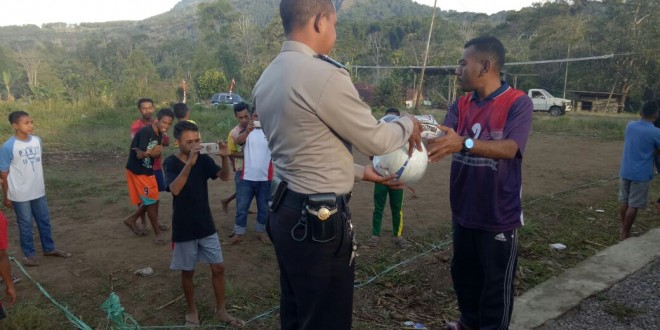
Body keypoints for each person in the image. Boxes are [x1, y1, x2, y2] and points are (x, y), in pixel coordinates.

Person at [252, 1, 422, 328]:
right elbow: (375, 140)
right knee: (327, 318)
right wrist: (408, 123)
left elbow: (303, 151)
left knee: (298, 311)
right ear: (319, 21)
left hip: (285, 212)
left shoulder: (268, 75)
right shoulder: (323, 75)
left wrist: (359, 172)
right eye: (335, 23)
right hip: (318, 225)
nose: (334, 31)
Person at [426, 36, 533, 330]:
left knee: (495, 286)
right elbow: (442, 136)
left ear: (485, 65)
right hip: (463, 211)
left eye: (463, 63)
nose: (457, 70)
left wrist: (465, 143)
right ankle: (468, 323)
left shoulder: (517, 102)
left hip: (499, 215)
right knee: (464, 275)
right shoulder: (461, 104)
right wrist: (411, 129)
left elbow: (511, 148)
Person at [163, 121, 244, 327]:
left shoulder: (204, 160)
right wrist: (189, 163)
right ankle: (192, 311)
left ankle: (221, 310)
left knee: (218, 268)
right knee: (188, 271)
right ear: (177, 143)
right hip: (184, 226)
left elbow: (225, 177)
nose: (195, 145)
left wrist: (225, 158)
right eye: (189, 142)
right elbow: (175, 189)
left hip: (205, 222)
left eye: (197, 140)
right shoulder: (170, 163)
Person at [0, 111, 72, 267]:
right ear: (15, 125)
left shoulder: (37, 141)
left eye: (31, 122)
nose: (31, 125)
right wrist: (6, 196)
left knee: (44, 220)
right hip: (20, 194)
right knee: (25, 224)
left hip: (38, 190)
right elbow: (4, 174)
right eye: (26, 123)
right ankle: (29, 255)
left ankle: (49, 248)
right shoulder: (8, 147)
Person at [123, 108, 174, 245]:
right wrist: (153, 153)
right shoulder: (146, 132)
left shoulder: (158, 133)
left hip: (146, 170)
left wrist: (156, 153)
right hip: (139, 171)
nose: (166, 126)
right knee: (151, 201)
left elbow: (154, 152)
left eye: (169, 124)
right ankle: (157, 233)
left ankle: (132, 220)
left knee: (153, 199)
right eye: (164, 122)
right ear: (157, 120)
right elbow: (140, 155)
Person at [367, 108, 409, 249]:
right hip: (380, 177)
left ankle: (397, 235)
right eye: (388, 118)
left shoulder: (404, 139)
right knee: (378, 207)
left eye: (394, 118)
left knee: (397, 208)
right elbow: (372, 156)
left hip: (397, 178)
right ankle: (375, 235)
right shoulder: (379, 138)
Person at [618, 98, 660, 240]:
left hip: (626, 170)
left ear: (641, 112)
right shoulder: (656, 132)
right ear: (656, 115)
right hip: (640, 174)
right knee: (633, 205)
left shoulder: (630, 126)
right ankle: (625, 232)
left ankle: (623, 227)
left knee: (624, 201)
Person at [229, 110, 272, 244]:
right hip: (246, 177)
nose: (258, 118)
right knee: (242, 208)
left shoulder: (271, 132)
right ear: (251, 117)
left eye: (261, 116)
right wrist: (248, 131)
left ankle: (260, 232)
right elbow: (237, 141)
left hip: (265, 178)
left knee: (263, 208)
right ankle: (239, 233)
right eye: (255, 116)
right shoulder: (247, 132)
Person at [130, 98, 170, 232]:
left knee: (155, 196)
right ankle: (143, 222)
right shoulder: (137, 126)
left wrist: (162, 135)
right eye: (144, 108)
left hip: (156, 165)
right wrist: (153, 150)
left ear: (153, 109)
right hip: (142, 167)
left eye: (150, 108)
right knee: (145, 197)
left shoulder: (159, 123)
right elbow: (138, 149)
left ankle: (155, 222)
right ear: (140, 110)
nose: (147, 111)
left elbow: (166, 141)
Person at [222, 103, 252, 215]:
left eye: (246, 116)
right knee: (242, 190)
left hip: (256, 167)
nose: (244, 120)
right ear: (236, 117)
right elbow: (230, 152)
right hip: (241, 168)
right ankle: (229, 204)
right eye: (240, 117)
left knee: (248, 190)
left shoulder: (257, 128)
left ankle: (241, 207)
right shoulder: (233, 134)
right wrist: (247, 156)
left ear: (250, 114)